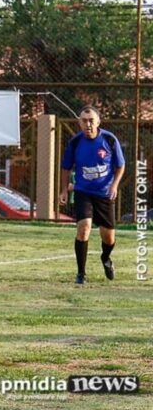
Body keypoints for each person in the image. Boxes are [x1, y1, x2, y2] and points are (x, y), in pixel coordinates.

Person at [59, 105, 125, 284]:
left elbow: (120, 165)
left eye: (91, 120)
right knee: (84, 229)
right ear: (79, 123)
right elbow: (65, 167)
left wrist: (114, 186)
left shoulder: (109, 139)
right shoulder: (75, 142)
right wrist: (64, 190)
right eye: (84, 121)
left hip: (104, 194)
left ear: (98, 122)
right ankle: (81, 274)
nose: (88, 124)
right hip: (83, 192)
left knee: (109, 237)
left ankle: (106, 258)